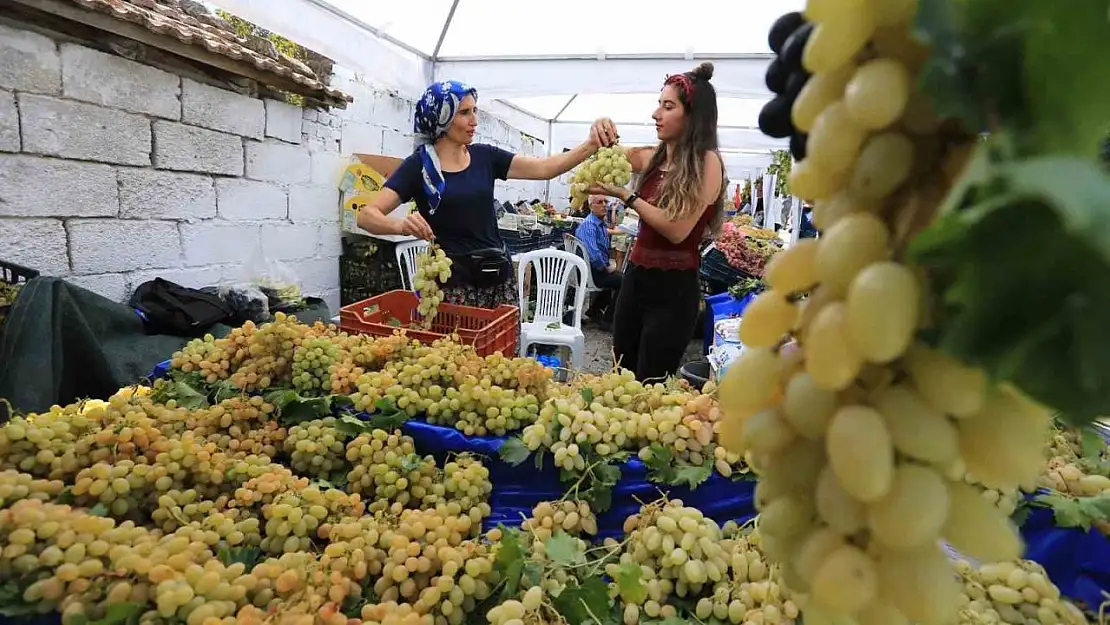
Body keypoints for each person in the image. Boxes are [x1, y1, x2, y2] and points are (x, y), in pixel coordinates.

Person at [357, 80, 618, 308]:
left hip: (497, 279)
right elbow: (367, 216)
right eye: (464, 113)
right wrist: (401, 225)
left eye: (475, 111)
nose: (474, 120)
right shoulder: (419, 166)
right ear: (443, 119)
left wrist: (591, 144)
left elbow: (545, 168)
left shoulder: (485, 157)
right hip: (453, 287)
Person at [585, 62, 726, 381]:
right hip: (636, 280)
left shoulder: (708, 164)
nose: (655, 114)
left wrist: (627, 196)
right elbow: (599, 157)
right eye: (658, 104)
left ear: (692, 116)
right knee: (621, 375)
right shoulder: (652, 158)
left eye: (668, 106)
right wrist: (600, 129)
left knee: (651, 381)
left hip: (674, 291)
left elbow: (677, 230)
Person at [575, 195, 623, 327]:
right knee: (624, 282)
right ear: (591, 206)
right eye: (600, 202)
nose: (604, 205)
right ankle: (608, 320)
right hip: (590, 271)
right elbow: (594, 255)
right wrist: (606, 267)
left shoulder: (599, 223)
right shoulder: (590, 225)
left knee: (617, 277)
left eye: (606, 202)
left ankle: (595, 312)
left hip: (592, 269)